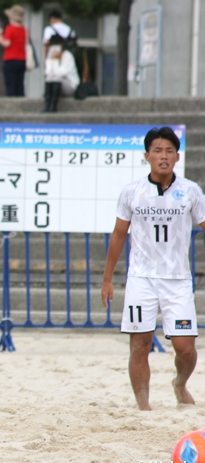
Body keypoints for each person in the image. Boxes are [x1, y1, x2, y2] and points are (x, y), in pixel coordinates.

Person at [101, 127, 205, 411]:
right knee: (140, 344)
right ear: (146, 156)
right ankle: (143, 407)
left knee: (185, 347)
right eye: (158, 151)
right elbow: (118, 235)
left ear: (177, 156)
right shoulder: (132, 192)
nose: (163, 156)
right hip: (141, 279)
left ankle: (180, 384)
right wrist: (107, 279)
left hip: (178, 280)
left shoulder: (191, 191)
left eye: (169, 151)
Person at [42, 35, 79, 112]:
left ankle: (53, 105)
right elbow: (48, 73)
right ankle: (47, 104)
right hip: (56, 86)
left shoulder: (68, 56)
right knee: (49, 78)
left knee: (56, 78)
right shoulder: (51, 57)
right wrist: (51, 60)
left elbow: (63, 72)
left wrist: (58, 61)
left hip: (70, 85)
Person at [0, 5, 27, 97]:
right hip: (22, 59)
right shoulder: (24, 30)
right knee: (19, 84)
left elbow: (7, 43)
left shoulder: (10, 28)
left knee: (10, 84)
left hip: (10, 59)